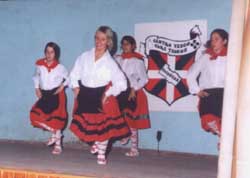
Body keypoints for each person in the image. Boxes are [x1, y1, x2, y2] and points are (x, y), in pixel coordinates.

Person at [69, 26, 130, 165]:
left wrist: (108, 93)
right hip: (85, 93)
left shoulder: (110, 62)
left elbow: (122, 83)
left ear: (108, 42)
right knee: (88, 127)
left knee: (104, 128)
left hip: (101, 96)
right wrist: (76, 88)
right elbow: (73, 74)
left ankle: (101, 153)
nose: (98, 41)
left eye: (103, 39)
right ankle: (96, 143)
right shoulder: (84, 56)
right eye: (96, 38)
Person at [187, 29, 228, 148]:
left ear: (224, 41)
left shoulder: (231, 57)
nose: (213, 42)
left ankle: (225, 148)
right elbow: (191, 73)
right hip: (208, 94)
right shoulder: (205, 57)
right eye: (212, 39)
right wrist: (196, 90)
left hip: (225, 94)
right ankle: (225, 139)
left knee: (226, 123)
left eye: (217, 39)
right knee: (208, 120)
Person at [30, 42, 69, 155]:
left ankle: (58, 145)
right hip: (45, 94)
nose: (49, 54)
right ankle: (55, 135)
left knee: (56, 120)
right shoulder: (40, 65)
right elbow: (36, 76)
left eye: (52, 52)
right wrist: (37, 88)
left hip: (56, 94)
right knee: (35, 115)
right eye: (47, 51)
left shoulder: (60, 68)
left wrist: (62, 87)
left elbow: (69, 78)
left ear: (56, 54)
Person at [115, 36, 150, 157]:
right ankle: (125, 134)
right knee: (117, 117)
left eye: (128, 44)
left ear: (133, 46)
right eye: (123, 44)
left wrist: (134, 89)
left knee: (131, 121)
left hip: (132, 93)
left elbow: (144, 79)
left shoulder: (137, 61)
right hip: (120, 92)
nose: (125, 46)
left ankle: (134, 149)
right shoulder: (118, 59)